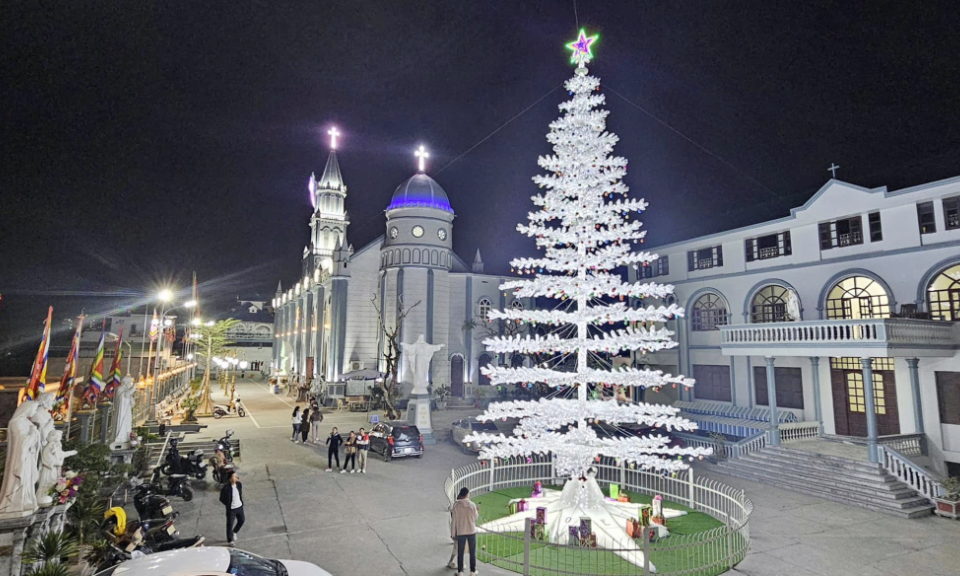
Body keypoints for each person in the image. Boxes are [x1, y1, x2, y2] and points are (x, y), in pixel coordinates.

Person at [451, 487, 479, 576]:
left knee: (460, 552)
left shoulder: (456, 506)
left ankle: (460, 572)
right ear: (467, 494)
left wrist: (452, 533)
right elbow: (475, 518)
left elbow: (454, 521)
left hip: (461, 531)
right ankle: (472, 571)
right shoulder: (473, 505)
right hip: (471, 530)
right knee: (472, 552)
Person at [218, 470, 245, 547]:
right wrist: (228, 504)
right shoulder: (226, 488)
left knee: (242, 520)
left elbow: (240, 494)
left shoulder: (239, 485)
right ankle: (230, 540)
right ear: (230, 479)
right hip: (231, 509)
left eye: (236, 476)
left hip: (239, 506)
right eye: (234, 476)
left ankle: (235, 532)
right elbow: (221, 498)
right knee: (230, 524)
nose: (236, 477)